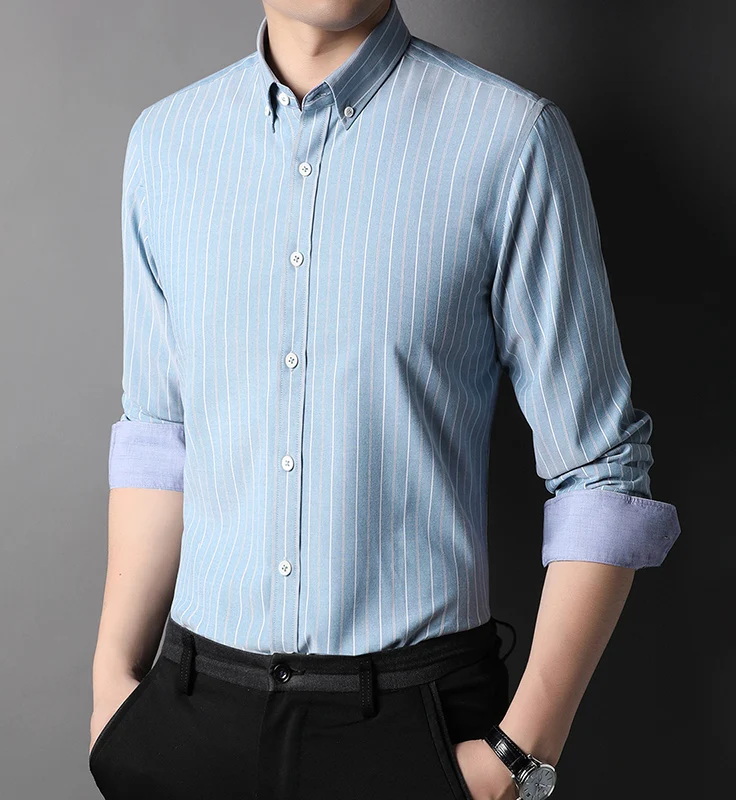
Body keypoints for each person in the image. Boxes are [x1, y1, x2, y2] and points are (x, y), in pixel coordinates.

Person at [88, 1, 681, 798]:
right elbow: (160, 436)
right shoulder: (166, 144)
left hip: (413, 725)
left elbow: (601, 472)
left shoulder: (508, 140)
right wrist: (113, 686)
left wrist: (518, 758)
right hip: (192, 715)